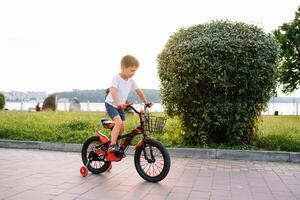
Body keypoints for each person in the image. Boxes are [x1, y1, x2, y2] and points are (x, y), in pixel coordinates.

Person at [105, 55, 151, 153]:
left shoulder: (131, 81)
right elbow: (113, 91)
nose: (133, 73)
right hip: (112, 104)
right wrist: (118, 103)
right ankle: (112, 145)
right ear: (123, 68)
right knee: (119, 123)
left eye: (135, 71)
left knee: (122, 128)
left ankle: (116, 143)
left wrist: (146, 102)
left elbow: (138, 91)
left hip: (121, 106)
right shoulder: (116, 78)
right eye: (131, 70)